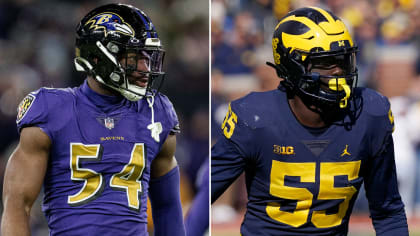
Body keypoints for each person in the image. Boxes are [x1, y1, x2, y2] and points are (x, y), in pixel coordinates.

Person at [211, 6, 409, 235]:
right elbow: (206, 194)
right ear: (291, 67)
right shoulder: (254, 118)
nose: (338, 71)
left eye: (343, 60)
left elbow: (388, 212)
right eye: (325, 62)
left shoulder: (369, 114)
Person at [1, 4, 185, 236]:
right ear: (98, 58)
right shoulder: (50, 109)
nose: (144, 68)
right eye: (134, 58)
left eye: (148, 57)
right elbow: (17, 205)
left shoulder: (156, 111)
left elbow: (167, 207)